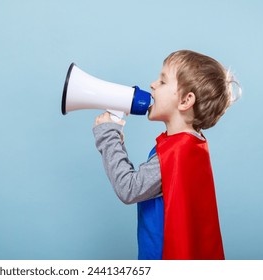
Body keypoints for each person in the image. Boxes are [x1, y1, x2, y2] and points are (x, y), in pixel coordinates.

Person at [92, 50, 241, 260]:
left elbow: (129, 188)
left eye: (162, 81)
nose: (152, 84)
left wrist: (108, 135)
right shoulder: (191, 146)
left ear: (185, 100)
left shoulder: (175, 153)